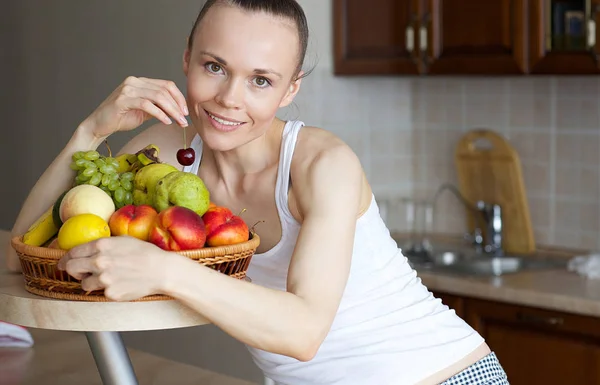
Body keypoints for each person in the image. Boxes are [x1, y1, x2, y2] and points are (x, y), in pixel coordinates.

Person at [6, 1, 509, 384]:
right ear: (187, 60)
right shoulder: (169, 149)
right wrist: (91, 133)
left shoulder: (322, 164)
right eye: (215, 67)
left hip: (442, 376)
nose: (229, 99)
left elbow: (303, 331)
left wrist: (162, 268)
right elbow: (23, 252)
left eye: (261, 80)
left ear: (290, 90)